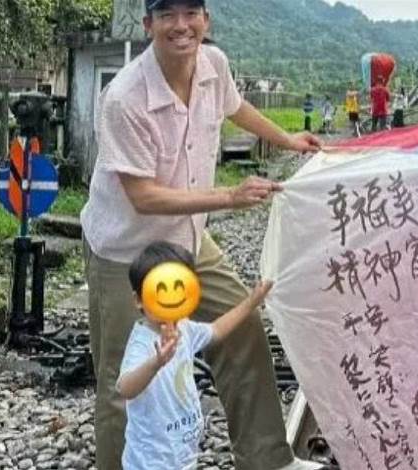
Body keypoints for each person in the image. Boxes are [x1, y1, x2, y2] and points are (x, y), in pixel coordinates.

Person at [80, 1, 324, 469]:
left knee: (242, 328)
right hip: (126, 252)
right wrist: (230, 196)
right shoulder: (125, 98)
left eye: (191, 12)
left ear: (205, 20)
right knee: (126, 380)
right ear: (148, 24)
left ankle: (268, 459)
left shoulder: (213, 64)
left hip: (186, 236)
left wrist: (289, 140)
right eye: (167, 15)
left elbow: (237, 107)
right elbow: (143, 197)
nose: (181, 25)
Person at [118, 241, 272, 469]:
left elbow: (217, 330)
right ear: (139, 300)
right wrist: (156, 363)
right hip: (150, 462)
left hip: (182, 455)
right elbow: (125, 388)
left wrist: (251, 303)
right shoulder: (142, 342)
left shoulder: (185, 328)